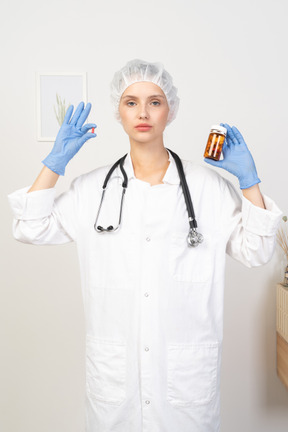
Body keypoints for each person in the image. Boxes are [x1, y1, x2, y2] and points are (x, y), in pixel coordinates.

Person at [8, 59, 282, 432]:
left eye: (154, 102)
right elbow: (30, 227)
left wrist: (250, 182)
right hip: (116, 384)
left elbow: (256, 250)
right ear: (118, 113)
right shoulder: (92, 189)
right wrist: (54, 164)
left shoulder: (206, 188)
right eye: (130, 102)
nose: (143, 112)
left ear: (170, 111)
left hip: (185, 387)